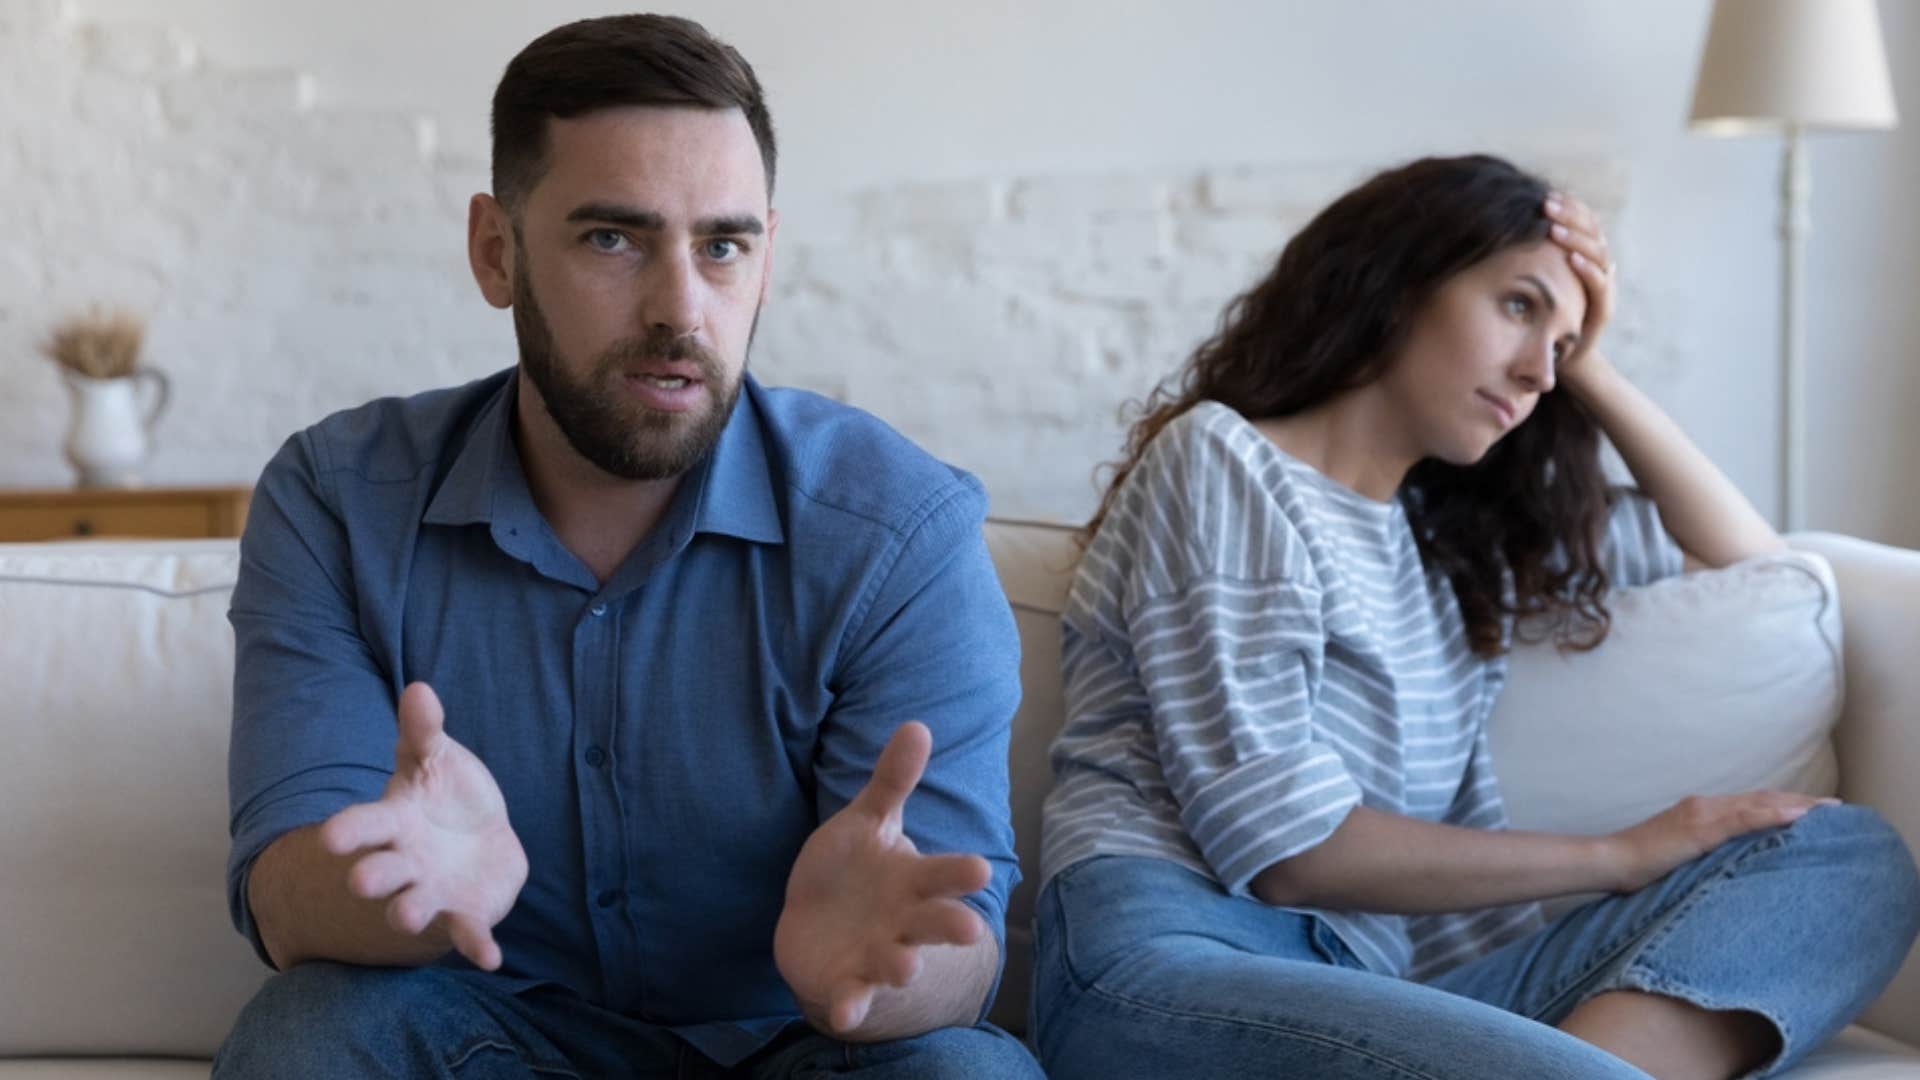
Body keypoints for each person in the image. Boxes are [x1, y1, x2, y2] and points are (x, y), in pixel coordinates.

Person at [213, 15, 1042, 1079]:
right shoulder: (339, 501)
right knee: (309, 1035)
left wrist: (883, 974)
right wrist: (399, 893)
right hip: (488, 1039)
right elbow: (283, 897)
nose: (681, 309)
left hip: (801, 1052)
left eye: (722, 246)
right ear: (496, 251)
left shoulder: (896, 530)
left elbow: (957, 961)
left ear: (767, 258)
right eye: (614, 238)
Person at [1031, 154, 1920, 1080]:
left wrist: (1596, 370)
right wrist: (1621, 854)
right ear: (1399, 280)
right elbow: (1288, 851)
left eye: (1563, 347)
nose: (1538, 370)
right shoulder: (1223, 462)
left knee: (1847, 862)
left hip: (1393, 997)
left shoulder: (1454, 550)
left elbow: (1753, 564)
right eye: (1520, 306)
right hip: (1175, 964)